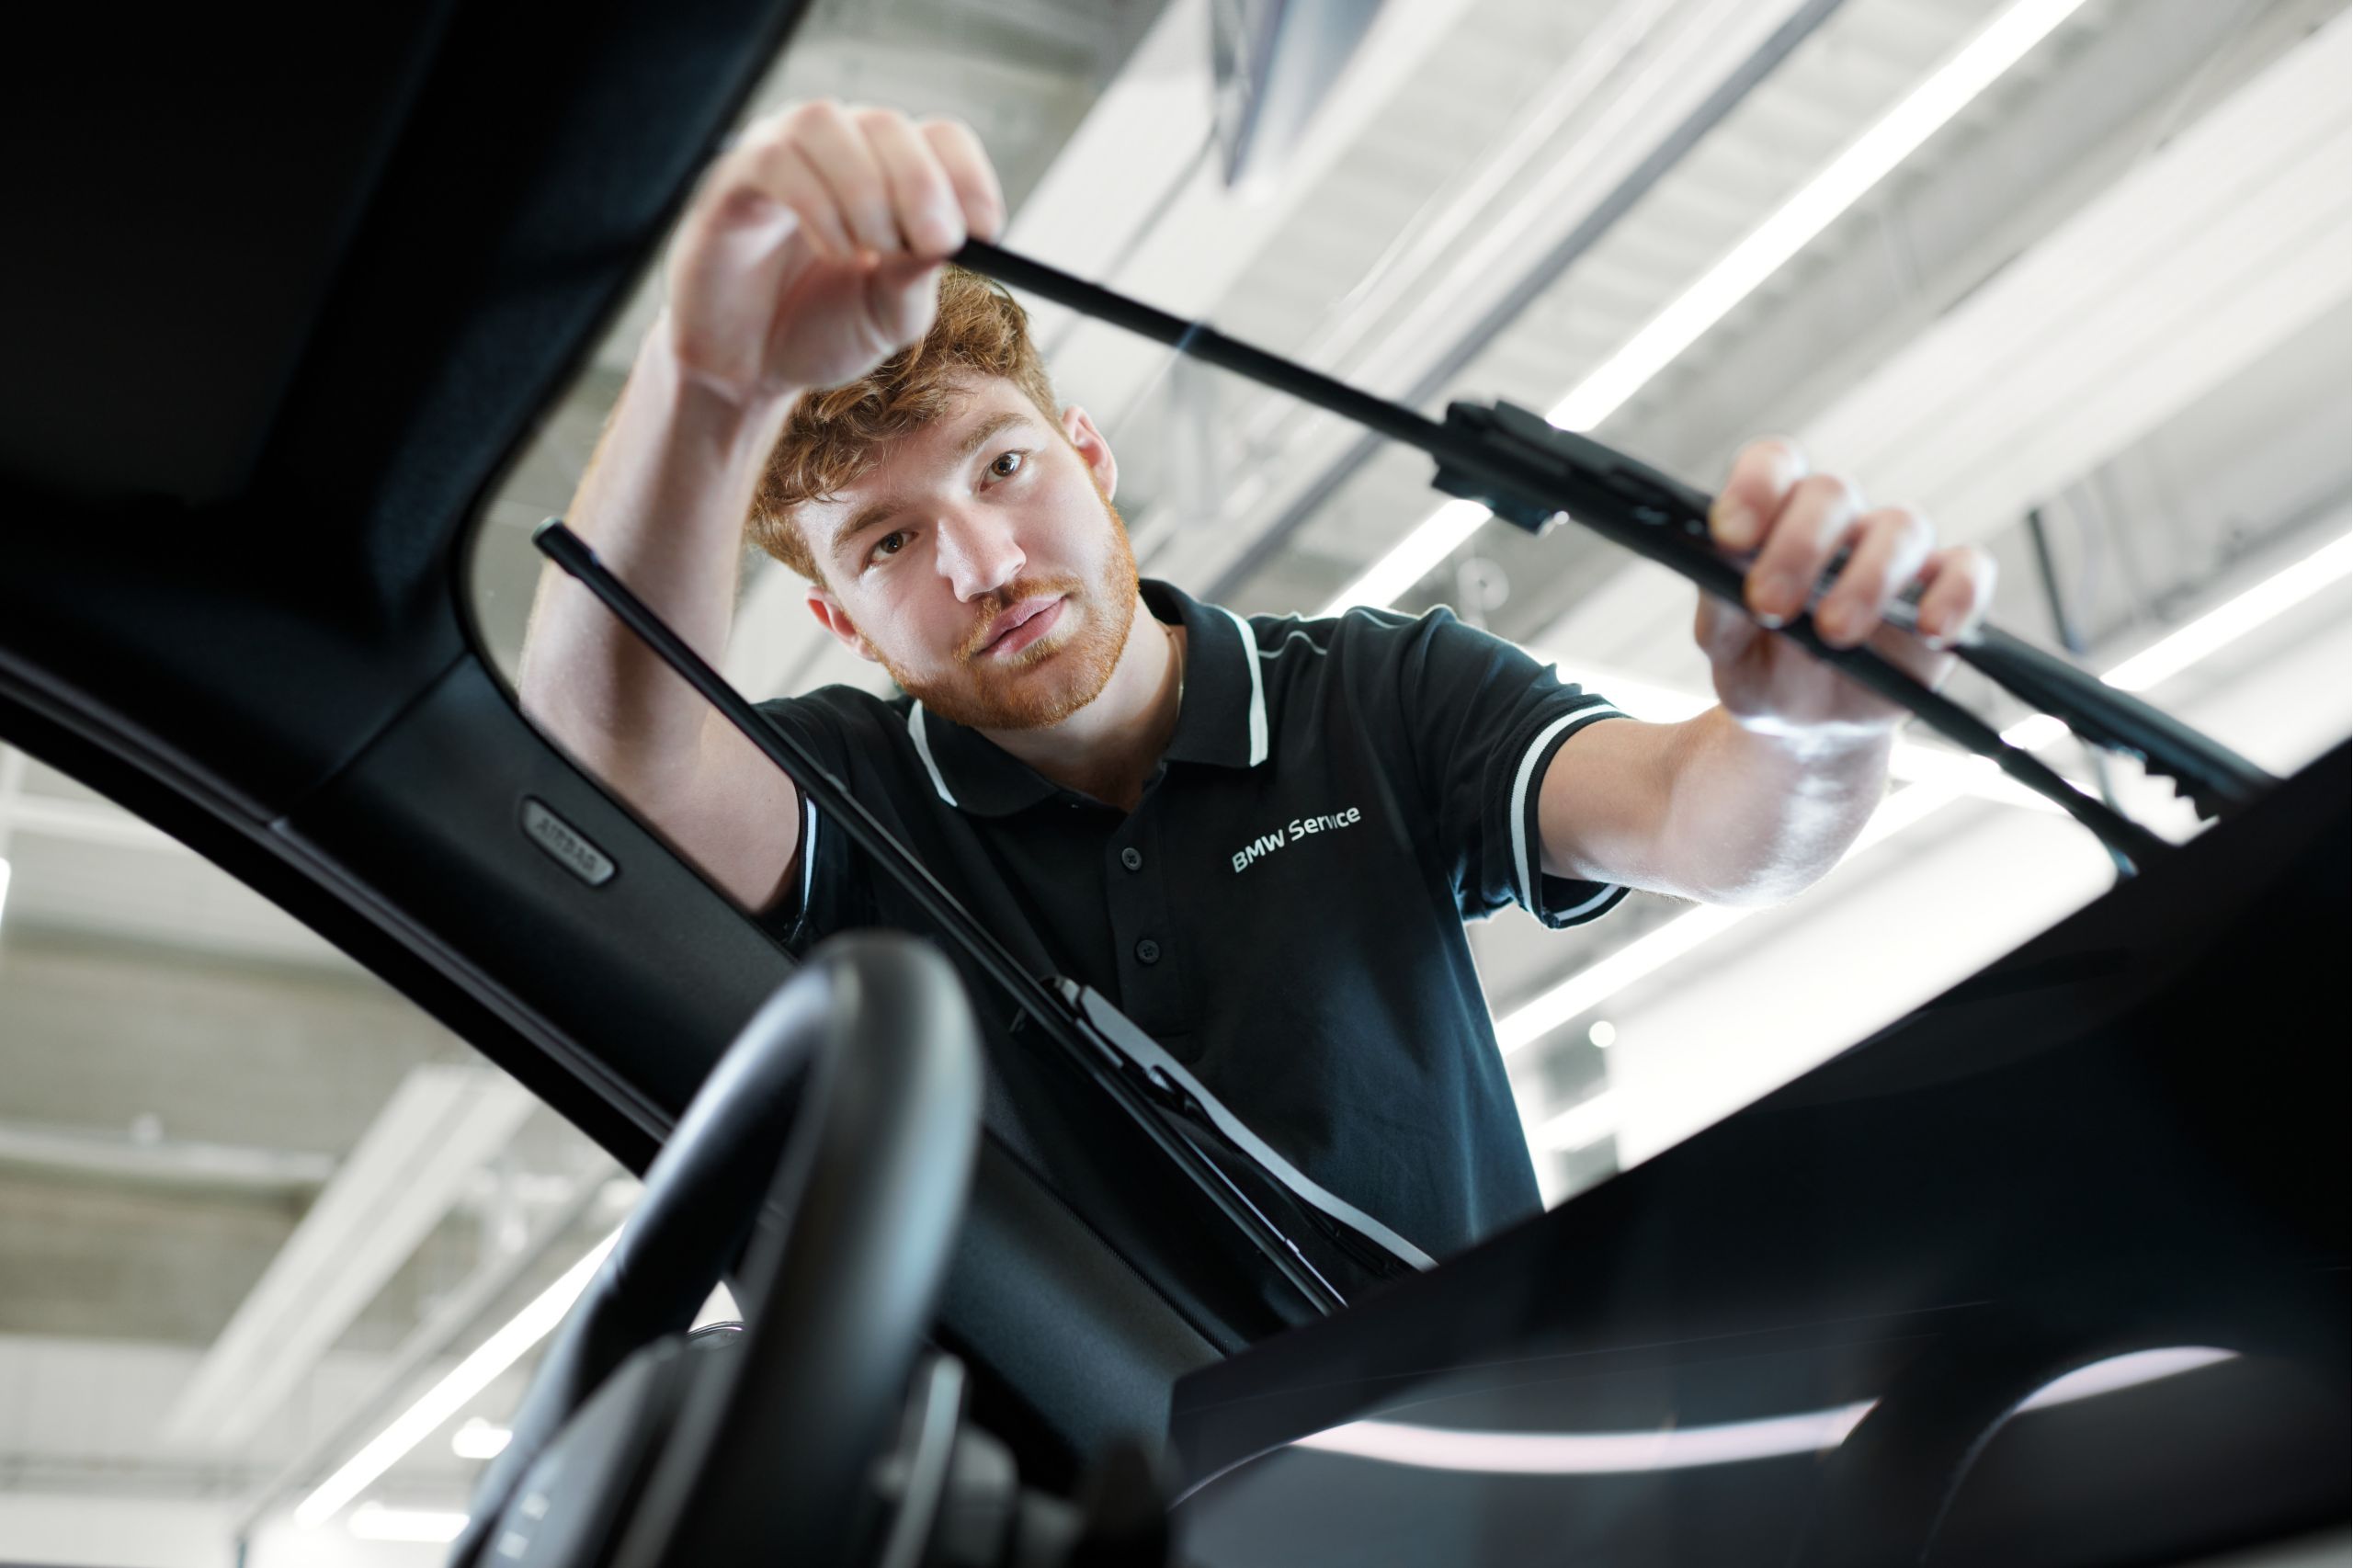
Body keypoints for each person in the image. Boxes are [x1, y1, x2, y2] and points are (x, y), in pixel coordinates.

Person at [518, 102, 1995, 1258]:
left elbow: (1700, 812)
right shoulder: (852, 806)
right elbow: (604, 760)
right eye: (892, 540)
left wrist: (1808, 735)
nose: (980, 559)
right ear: (843, 624)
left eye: (1004, 465)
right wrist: (710, 381)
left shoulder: (1380, 694)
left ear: (1090, 460)